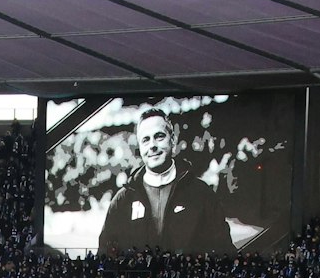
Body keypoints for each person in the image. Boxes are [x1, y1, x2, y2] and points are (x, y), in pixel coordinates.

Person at [97, 107, 233, 256]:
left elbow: (224, 251)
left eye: (159, 136)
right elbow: (105, 256)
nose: (152, 145)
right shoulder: (122, 201)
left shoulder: (202, 194)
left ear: (172, 140)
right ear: (140, 147)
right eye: (146, 140)